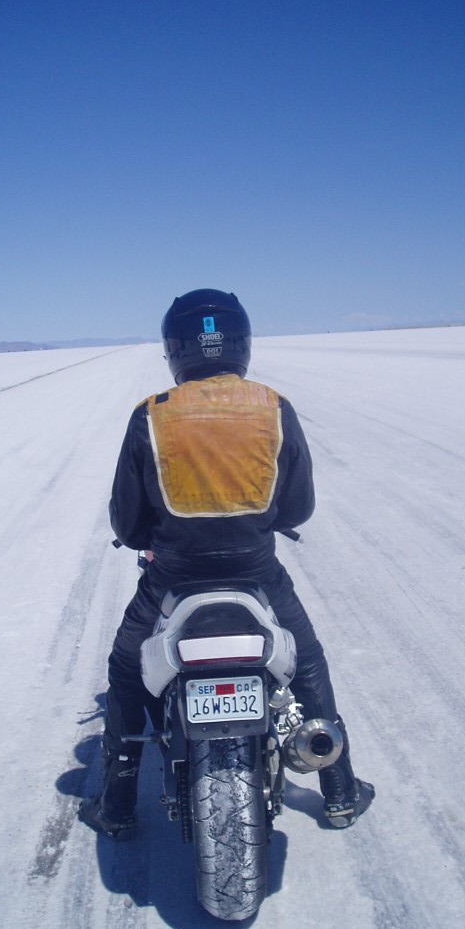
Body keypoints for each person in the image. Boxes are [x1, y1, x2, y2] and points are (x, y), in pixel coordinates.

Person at [79, 289, 374, 838]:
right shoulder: (274, 407)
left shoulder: (150, 416)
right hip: (257, 573)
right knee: (305, 662)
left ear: (175, 349)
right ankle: (340, 792)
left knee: (125, 667)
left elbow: (127, 522)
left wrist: (154, 534)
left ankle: (117, 804)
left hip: (171, 576)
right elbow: (299, 506)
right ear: (242, 345)